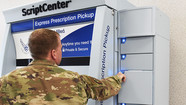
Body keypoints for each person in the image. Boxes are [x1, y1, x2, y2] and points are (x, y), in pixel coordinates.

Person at [0, 29, 126, 105]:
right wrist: (118, 78)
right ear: (53, 53)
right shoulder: (75, 80)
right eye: (60, 48)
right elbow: (102, 89)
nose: (62, 51)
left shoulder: (5, 82)